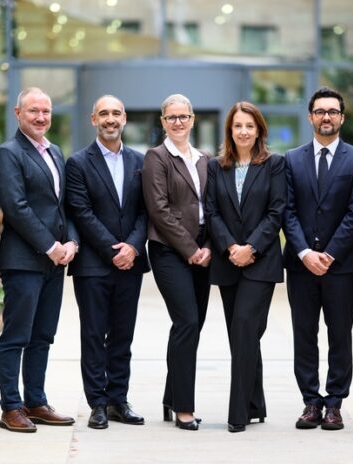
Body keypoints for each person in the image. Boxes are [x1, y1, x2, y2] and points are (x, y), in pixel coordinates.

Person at [0, 87, 79, 433]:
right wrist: (49, 245)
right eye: (33, 111)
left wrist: (71, 242)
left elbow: (63, 206)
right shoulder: (7, 154)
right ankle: (11, 407)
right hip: (23, 261)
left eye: (46, 111)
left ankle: (36, 402)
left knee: (43, 335)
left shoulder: (55, 152)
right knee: (16, 336)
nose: (41, 117)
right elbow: (16, 207)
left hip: (54, 262)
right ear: (18, 113)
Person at [283, 87, 353, 431]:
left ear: (342, 118)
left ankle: (334, 403)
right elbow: (287, 211)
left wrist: (330, 253)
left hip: (341, 266)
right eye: (320, 111)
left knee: (340, 335)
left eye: (333, 111)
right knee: (304, 334)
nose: (326, 117)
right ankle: (310, 401)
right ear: (310, 117)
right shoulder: (291, 159)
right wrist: (305, 253)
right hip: (301, 265)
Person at [65, 95, 149, 429]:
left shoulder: (140, 161)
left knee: (122, 336)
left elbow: (146, 211)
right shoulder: (78, 163)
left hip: (131, 263)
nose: (110, 119)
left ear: (124, 118)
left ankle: (118, 400)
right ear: (93, 119)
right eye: (104, 114)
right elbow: (81, 212)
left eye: (116, 113)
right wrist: (114, 251)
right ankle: (97, 403)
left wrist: (133, 247)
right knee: (93, 335)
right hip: (93, 265)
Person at [205, 102, 286, 433]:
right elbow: (211, 212)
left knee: (244, 327)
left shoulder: (274, 164)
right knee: (243, 335)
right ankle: (255, 404)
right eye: (238, 125)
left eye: (249, 126)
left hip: (260, 262)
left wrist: (251, 247)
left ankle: (238, 412)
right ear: (230, 130)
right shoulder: (216, 167)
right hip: (228, 263)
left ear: (259, 130)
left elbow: (277, 211)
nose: (243, 131)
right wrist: (230, 247)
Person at [143, 94, 211, 431]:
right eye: (172, 117)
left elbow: (215, 208)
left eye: (184, 116)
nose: (178, 122)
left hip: (203, 253)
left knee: (193, 326)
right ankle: (184, 407)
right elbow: (159, 209)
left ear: (193, 119)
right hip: (169, 252)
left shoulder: (204, 160)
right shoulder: (156, 158)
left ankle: (171, 397)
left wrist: (208, 246)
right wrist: (190, 249)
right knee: (186, 322)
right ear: (163, 122)